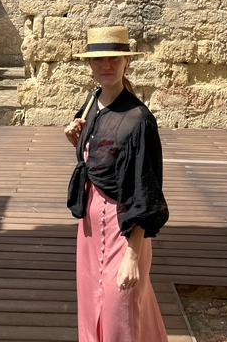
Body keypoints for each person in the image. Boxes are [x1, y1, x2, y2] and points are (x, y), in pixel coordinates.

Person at [65, 26, 169, 342]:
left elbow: (145, 190)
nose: (106, 66)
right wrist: (76, 142)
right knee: (92, 307)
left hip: (123, 229)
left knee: (119, 312)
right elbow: (101, 162)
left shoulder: (139, 120)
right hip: (89, 227)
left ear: (126, 62)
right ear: (90, 65)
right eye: (98, 60)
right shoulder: (91, 102)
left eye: (114, 58)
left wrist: (133, 257)